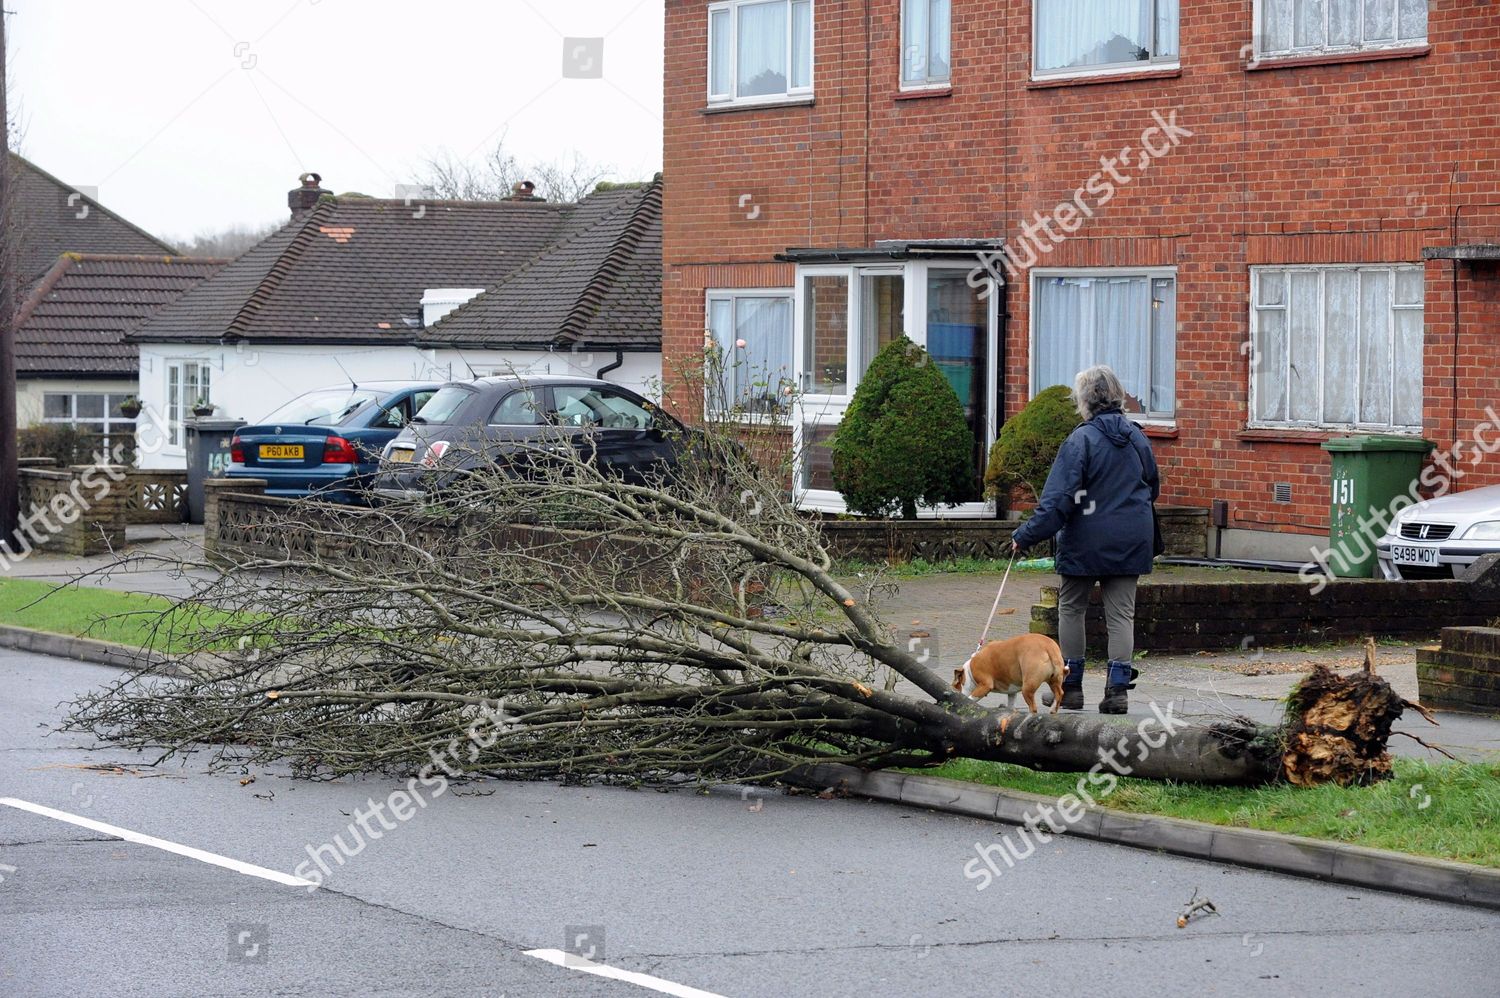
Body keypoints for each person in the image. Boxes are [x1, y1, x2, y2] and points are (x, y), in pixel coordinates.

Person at [1008, 365, 1160, 714]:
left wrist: (1025, 535)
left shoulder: (1080, 440)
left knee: (1072, 608)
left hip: (1085, 539)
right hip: (1132, 538)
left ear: (1085, 400)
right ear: (1118, 395)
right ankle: (1118, 691)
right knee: (1122, 614)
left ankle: (1070, 687)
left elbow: (1058, 500)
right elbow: (1152, 487)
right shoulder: (1138, 438)